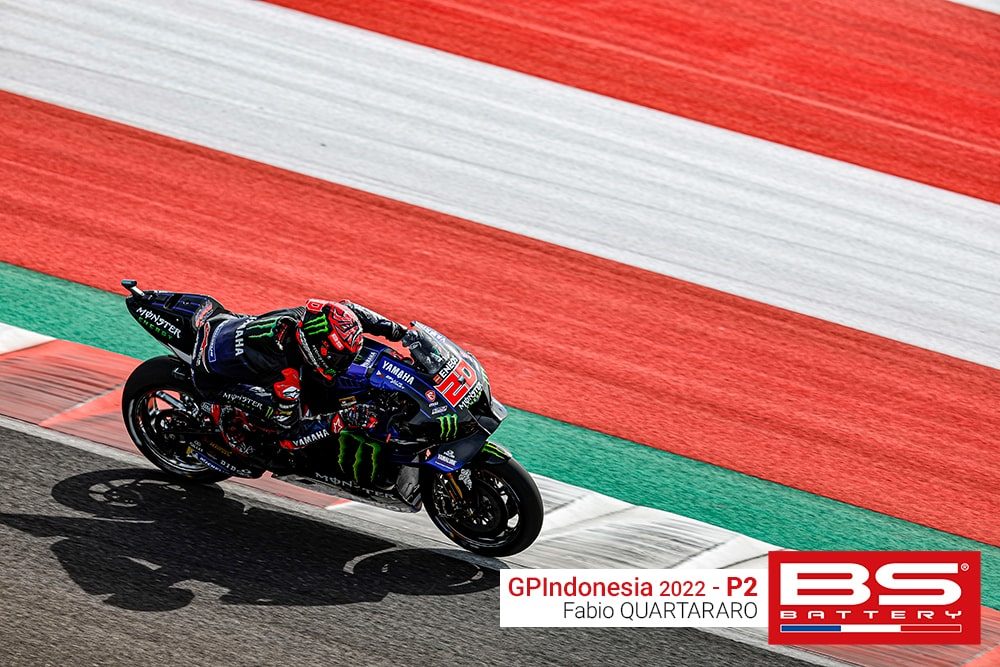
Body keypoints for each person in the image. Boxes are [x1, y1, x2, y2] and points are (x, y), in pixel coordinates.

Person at [190, 298, 406, 471]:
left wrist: (400, 332)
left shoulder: (309, 319)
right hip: (212, 379)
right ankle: (234, 429)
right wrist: (342, 419)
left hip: (223, 326)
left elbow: (351, 311)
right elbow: (291, 435)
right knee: (278, 436)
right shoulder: (286, 377)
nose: (343, 364)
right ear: (316, 347)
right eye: (337, 358)